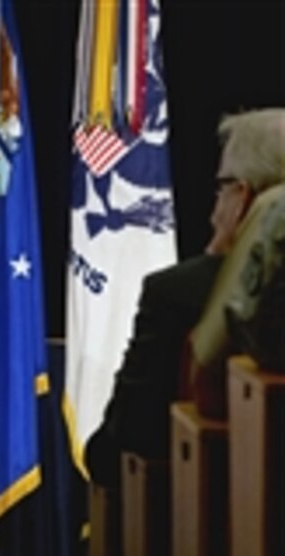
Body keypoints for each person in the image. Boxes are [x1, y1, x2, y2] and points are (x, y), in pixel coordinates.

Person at [85, 108, 285, 489]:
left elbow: (117, 447)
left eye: (220, 189)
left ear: (243, 197)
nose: (213, 212)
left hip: (208, 530)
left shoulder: (179, 296)